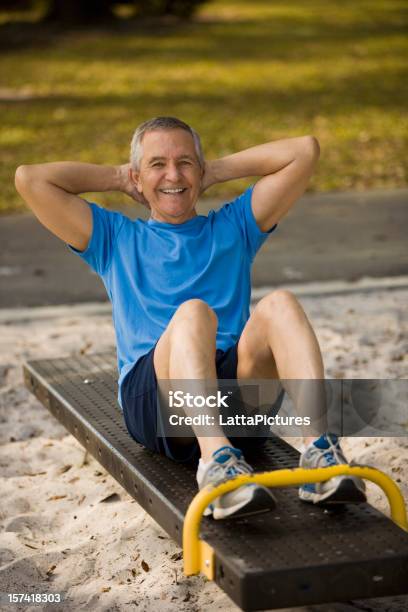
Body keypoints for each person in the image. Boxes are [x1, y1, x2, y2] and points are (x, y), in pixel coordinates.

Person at [15, 116, 366, 519]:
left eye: (184, 163)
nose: (173, 175)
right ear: (138, 177)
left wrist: (213, 170)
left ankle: (320, 453)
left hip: (234, 400)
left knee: (281, 303)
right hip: (159, 405)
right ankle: (216, 462)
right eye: (157, 164)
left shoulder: (234, 227)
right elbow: (30, 179)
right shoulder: (115, 239)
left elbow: (304, 151)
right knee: (195, 313)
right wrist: (118, 177)